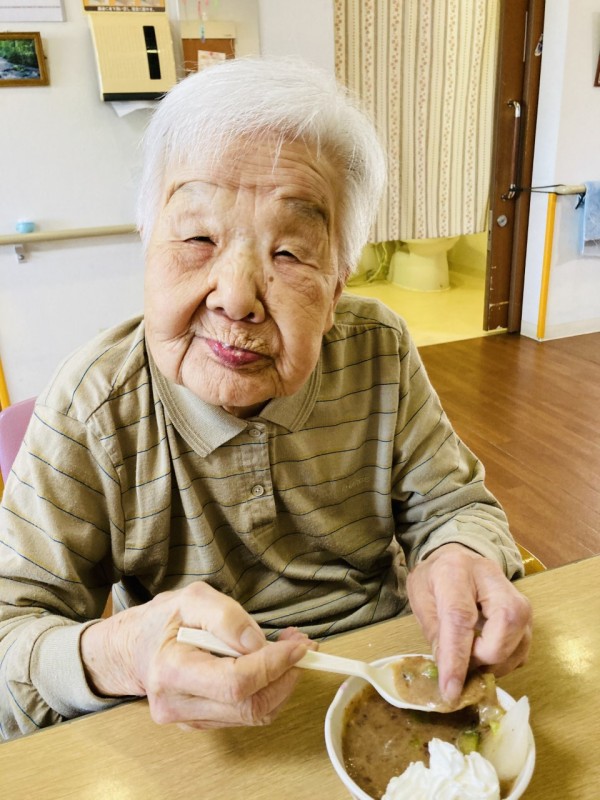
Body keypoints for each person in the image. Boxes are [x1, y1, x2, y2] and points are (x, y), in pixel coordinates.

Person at [0, 57, 531, 740]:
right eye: (198, 238)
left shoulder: (378, 349)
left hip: (386, 680)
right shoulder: (93, 407)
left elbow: (454, 505)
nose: (235, 297)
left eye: (289, 254)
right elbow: (10, 638)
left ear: (337, 284)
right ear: (148, 244)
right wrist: (122, 655)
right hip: (193, 731)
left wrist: (461, 555)